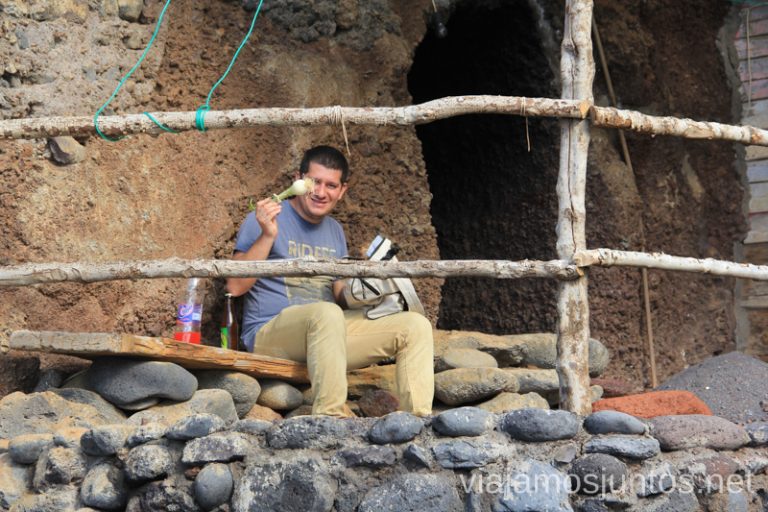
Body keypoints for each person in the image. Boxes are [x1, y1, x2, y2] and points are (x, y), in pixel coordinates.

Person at [226, 145, 434, 417]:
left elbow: (339, 295)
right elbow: (234, 287)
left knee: (414, 325)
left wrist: (371, 285)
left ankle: (417, 420)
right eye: (314, 182)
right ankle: (331, 417)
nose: (321, 192)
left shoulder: (335, 230)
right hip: (270, 333)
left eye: (331, 185)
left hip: (327, 335)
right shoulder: (267, 217)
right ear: (298, 179)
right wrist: (267, 236)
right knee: (326, 314)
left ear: (342, 190)